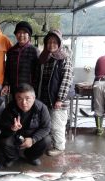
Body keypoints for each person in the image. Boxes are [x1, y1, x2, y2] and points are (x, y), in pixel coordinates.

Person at [37, 29, 73, 157]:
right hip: (45, 98)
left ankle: (59, 147)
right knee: (47, 122)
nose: (51, 44)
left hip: (57, 99)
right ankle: (51, 143)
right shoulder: (44, 57)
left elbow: (66, 79)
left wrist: (60, 99)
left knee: (57, 123)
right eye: (49, 42)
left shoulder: (64, 58)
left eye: (54, 42)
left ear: (59, 43)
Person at [0, 83, 51, 167]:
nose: (24, 103)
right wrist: (12, 128)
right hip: (16, 135)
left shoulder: (42, 108)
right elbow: (2, 125)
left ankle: (31, 157)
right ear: (15, 99)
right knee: (4, 141)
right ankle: (13, 157)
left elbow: (46, 128)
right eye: (19, 99)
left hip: (32, 134)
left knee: (47, 140)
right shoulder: (10, 107)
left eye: (27, 99)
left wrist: (33, 139)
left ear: (34, 98)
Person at [1, 21, 39, 98]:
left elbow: (37, 73)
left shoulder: (34, 51)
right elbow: (7, 70)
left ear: (29, 35)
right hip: (14, 91)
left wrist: (34, 89)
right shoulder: (11, 51)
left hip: (28, 91)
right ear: (15, 34)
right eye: (19, 32)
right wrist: (6, 84)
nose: (21, 35)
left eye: (24, 33)